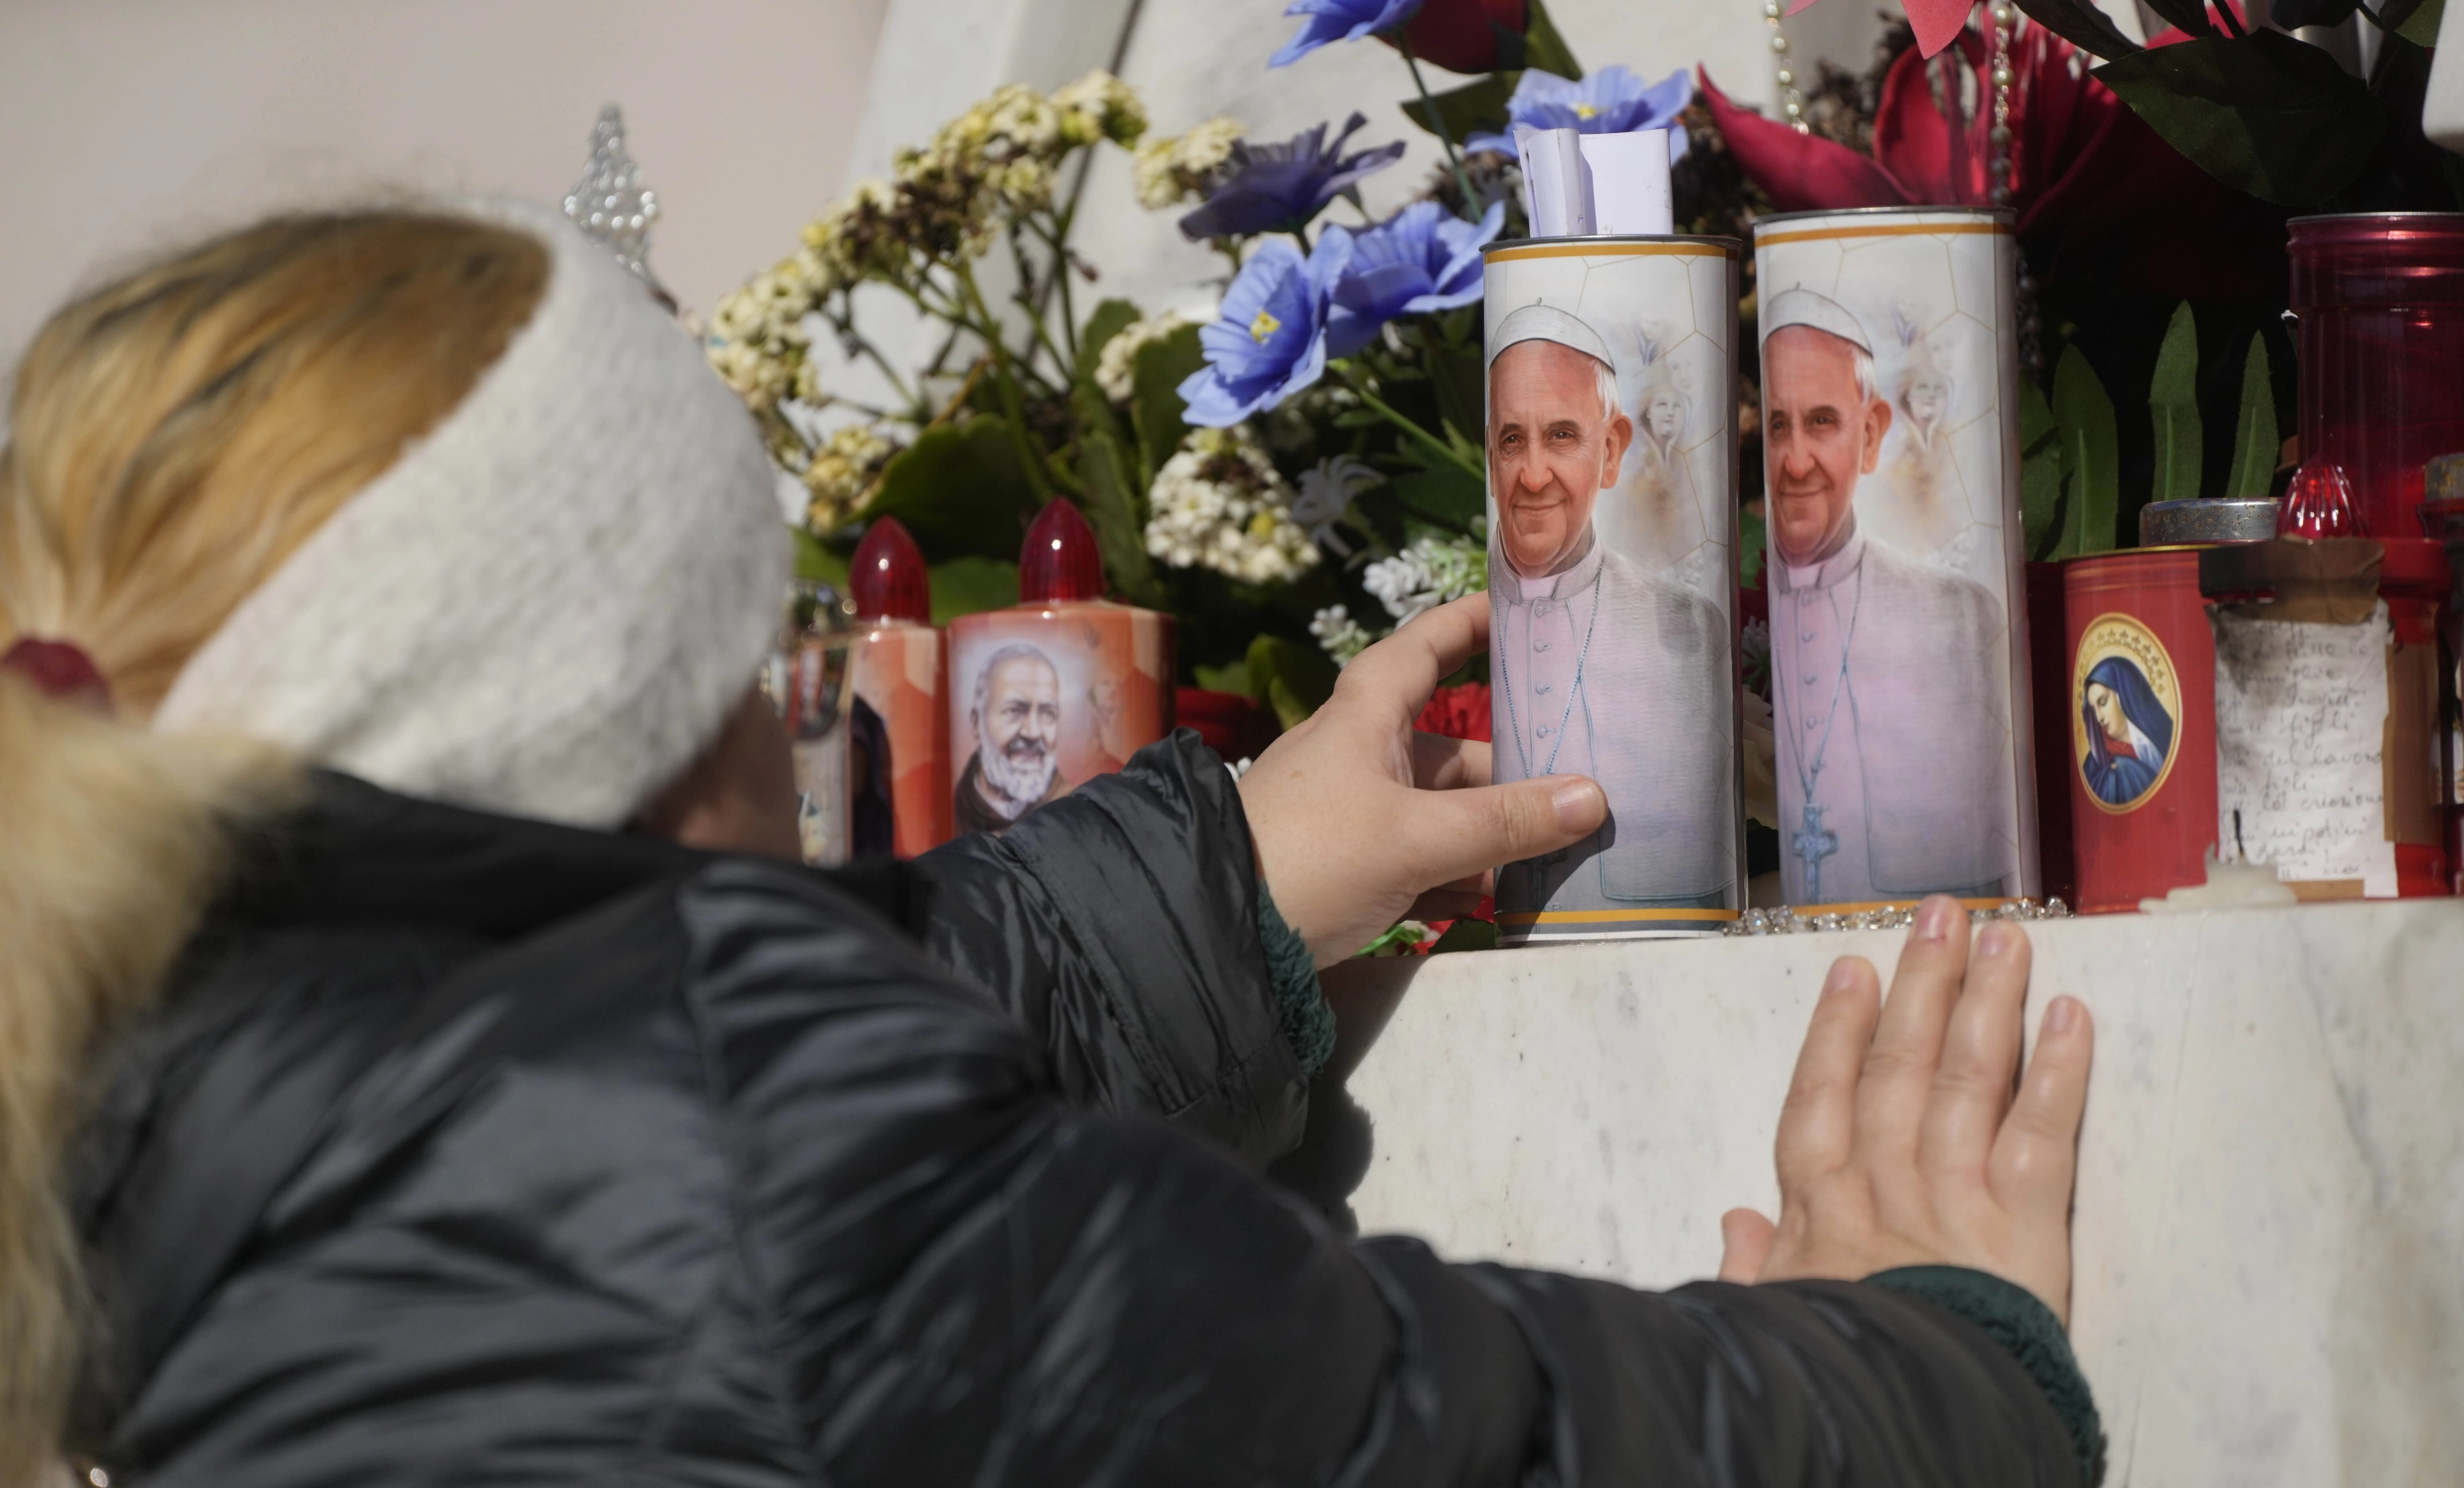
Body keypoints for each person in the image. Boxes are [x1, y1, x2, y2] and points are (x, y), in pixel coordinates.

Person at [1, 204, 2099, 1487]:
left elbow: (658, 1072)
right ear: (630, 736)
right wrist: (1932, 1366)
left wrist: (1217, 883)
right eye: (747, 665)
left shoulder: (156, 1103)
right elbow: (1456, 1441)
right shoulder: (758, 1178)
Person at [1761, 287, 2017, 907]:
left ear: (1871, 434)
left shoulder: (1955, 616)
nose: (1796, 462)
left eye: (1822, 422)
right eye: (1777, 425)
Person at [1484, 303, 1729, 914]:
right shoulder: (1450, 630)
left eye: (1562, 436)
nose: (1533, 476)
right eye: (1512, 440)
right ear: (1489, 455)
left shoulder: (1688, 625)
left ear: (1612, 450)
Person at [952, 641, 1064, 834]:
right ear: (977, 723)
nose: (1033, 732)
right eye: (1014, 711)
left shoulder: (1073, 813)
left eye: (1048, 713)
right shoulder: (952, 810)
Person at [2080, 656, 2173, 807]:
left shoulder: (2162, 737)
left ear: (2123, 694)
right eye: (2093, 710)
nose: (2099, 718)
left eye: (2103, 702)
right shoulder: (2096, 765)